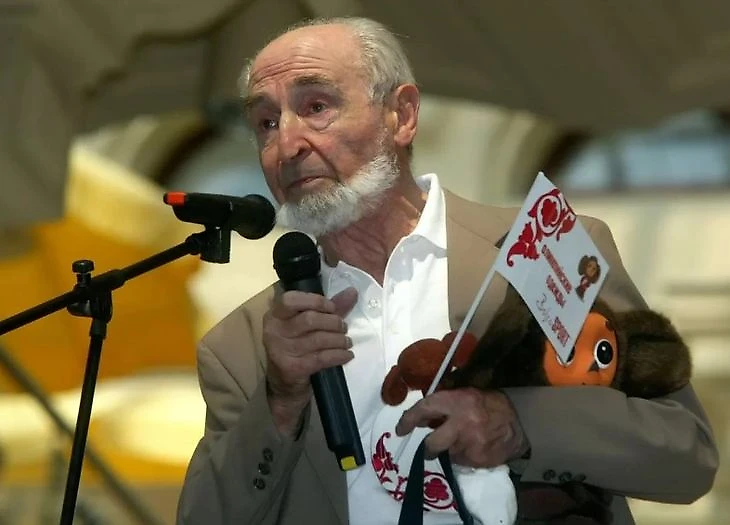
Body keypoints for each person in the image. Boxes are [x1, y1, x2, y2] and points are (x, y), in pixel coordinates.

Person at [176, 16, 719, 525]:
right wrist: (279, 402)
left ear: (402, 115)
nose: (286, 144)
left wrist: (519, 424)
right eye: (266, 122)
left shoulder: (541, 250)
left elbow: (685, 453)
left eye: (316, 106)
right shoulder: (242, 347)